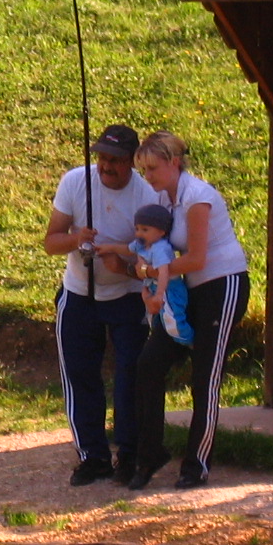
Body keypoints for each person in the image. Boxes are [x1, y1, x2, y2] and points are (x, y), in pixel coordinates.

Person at [117, 130, 250, 491]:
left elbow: (195, 258)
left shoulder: (197, 198)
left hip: (221, 285)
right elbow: (154, 246)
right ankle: (150, 454)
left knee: (204, 376)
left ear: (175, 163)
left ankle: (197, 464)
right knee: (148, 365)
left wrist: (147, 273)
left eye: (154, 168)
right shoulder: (164, 197)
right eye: (144, 170)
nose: (149, 177)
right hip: (183, 291)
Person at [43, 124, 166, 486]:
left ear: (131, 162)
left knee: (130, 376)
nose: (106, 167)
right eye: (102, 158)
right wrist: (75, 239)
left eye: (115, 160)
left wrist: (124, 266)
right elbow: (51, 241)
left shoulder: (147, 196)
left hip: (128, 297)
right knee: (80, 375)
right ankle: (92, 456)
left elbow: (156, 255)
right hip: (79, 294)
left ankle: (128, 453)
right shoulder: (74, 182)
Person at [129, 203, 192, 347]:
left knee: (174, 320)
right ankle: (174, 344)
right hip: (153, 287)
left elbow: (164, 272)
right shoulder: (143, 244)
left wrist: (159, 294)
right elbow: (128, 249)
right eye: (137, 229)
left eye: (145, 229)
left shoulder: (160, 249)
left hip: (168, 289)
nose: (139, 233)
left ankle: (191, 344)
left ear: (161, 232)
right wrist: (107, 248)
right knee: (157, 320)